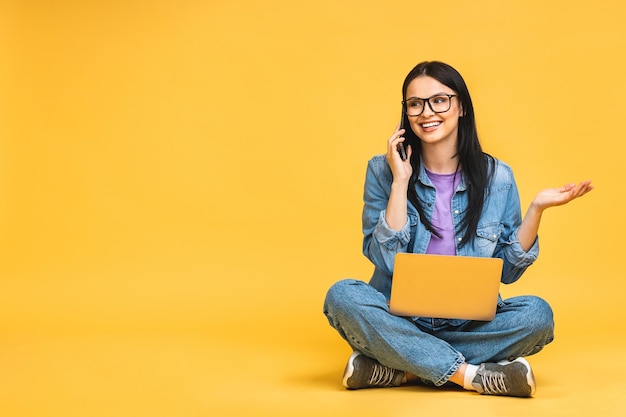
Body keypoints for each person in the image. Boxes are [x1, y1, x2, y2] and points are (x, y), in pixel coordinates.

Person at [323, 61, 593, 397]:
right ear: (406, 113)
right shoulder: (382, 171)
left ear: (461, 106)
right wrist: (400, 181)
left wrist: (536, 210)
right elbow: (386, 260)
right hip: (399, 315)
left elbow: (507, 273)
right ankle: (471, 375)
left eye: (439, 100)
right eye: (415, 104)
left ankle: (400, 369)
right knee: (342, 296)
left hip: (470, 323)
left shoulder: (498, 176)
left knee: (537, 315)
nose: (426, 112)